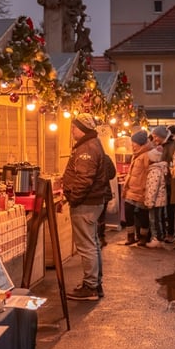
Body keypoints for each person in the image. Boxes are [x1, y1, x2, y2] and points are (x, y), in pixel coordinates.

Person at [62, 113, 110, 301]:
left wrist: (73, 198)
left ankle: (91, 286)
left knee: (86, 245)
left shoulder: (87, 148)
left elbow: (84, 179)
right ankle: (94, 283)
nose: (72, 130)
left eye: (74, 127)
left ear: (81, 129)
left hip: (86, 203)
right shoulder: (92, 144)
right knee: (93, 243)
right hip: (91, 201)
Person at [121, 130, 154, 247]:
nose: (132, 146)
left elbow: (150, 173)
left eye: (133, 144)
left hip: (141, 190)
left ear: (140, 144)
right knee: (128, 212)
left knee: (142, 215)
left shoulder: (147, 155)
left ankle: (144, 237)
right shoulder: (137, 155)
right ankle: (131, 236)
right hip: (131, 189)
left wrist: (146, 190)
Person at [143, 144, 169, 247]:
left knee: (154, 220)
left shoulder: (155, 171)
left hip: (155, 201)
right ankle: (159, 237)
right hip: (158, 200)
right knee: (158, 219)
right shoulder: (159, 169)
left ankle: (156, 238)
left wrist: (150, 202)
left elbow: (152, 188)